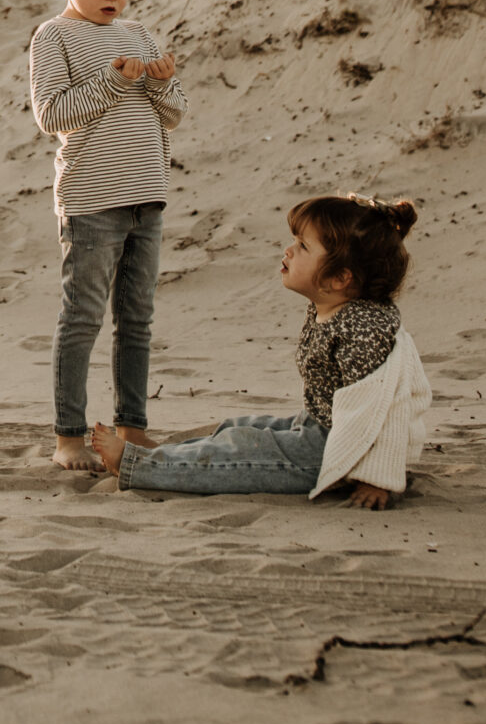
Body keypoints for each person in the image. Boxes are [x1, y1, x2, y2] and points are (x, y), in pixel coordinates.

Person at [93, 195, 429, 506]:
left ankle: (136, 464)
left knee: (241, 453)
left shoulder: (362, 329)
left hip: (334, 452)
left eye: (302, 246)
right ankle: (150, 455)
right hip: (317, 427)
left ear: (340, 278)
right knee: (239, 429)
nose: (289, 251)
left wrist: (378, 480)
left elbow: (386, 409)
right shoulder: (335, 307)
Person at [29, 0, 186, 473]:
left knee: (137, 318)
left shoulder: (140, 35)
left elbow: (173, 114)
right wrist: (114, 81)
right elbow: (52, 115)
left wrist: (161, 82)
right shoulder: (54, 36)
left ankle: (133, 427)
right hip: (92, 201)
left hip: (148, 194)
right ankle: (69, 435)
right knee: (83, 318)